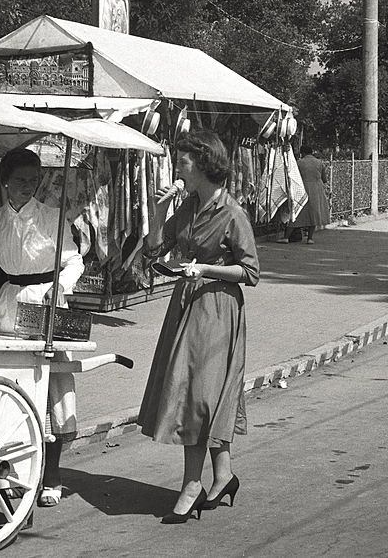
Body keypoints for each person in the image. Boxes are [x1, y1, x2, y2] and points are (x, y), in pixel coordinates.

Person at [138, 129, 260, 524]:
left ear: (205, 163)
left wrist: (206, 268)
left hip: (218, 309)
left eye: (183, 161)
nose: (177, 167)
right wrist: (158, 212)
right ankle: (222, 477)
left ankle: (192, 483)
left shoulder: (232, 213)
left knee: (201, 396)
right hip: (187, 307)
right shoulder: (188, 206)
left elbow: (252, 271)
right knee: (203, 393)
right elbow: (154, 249)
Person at [0, 147, 84, 507]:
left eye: (33, 180)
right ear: (4, 182)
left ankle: (53, 475)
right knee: (10, 386)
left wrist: (60, 286)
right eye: (20, 181)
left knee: (52, 387)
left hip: (47, 300)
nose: (27, 187)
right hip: (10, 303)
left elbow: (73, 260)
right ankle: (13, 469)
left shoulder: (53, 218)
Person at [279, 145, 331, 244]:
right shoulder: (319, 163)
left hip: (301, 189)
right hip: (316, 190)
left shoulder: (299, 163)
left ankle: (286, 237)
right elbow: (324, 179)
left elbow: (294, 177)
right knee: (313, 214)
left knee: (296, 212)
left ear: (303, 153)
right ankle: (310, 238)